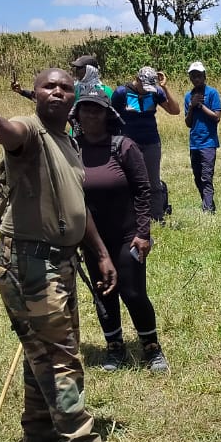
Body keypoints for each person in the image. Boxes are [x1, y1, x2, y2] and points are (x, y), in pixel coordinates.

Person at [0, 68, 134, 442]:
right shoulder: (31, 131)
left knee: (42, 350)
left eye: (65, 87)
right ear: (36, 93)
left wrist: (101, 253)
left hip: (60, 259)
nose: (58, 92)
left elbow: (77, 203)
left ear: (74, 97)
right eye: (49, 86)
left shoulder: (68, 141)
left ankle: (40, 430)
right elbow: (9, 130)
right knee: (61, 355)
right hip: (29, 262)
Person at [72, 88, 168, 373]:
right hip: (91, 239)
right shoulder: (72, 149)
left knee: (133, 292)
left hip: (128, 236)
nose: (91, 114)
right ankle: (115, 347)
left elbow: (143, 190)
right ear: (77, 115)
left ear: (107, 115)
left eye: (97, 109)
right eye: (85, 109)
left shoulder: (123, 146)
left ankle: (151, 348)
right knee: (103, 292)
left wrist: (143, 233)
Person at [113, 66, 180, 223]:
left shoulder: (156, 92)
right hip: (128, 144)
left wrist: (165, 87)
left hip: (151, 142)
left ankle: (157, 216)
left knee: (153, 183)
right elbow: (110, 116)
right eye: (144, 87)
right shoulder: (121, 93)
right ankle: (131, 218)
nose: (146, 91)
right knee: (129, 181)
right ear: (137, 79)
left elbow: (175, 110)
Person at [183, 61, 221, 214]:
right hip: (194, 142)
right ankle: (207, 202)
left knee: (207, 176)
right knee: (197, 177)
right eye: (193, 76)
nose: (196, 79)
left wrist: (200, 106)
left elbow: (216, 117)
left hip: (208, 142)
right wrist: (191, 106)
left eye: (199, 76)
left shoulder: (212, 93)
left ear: (204, 76)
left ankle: (208, 209)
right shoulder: (188, 96)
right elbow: (188, 123)